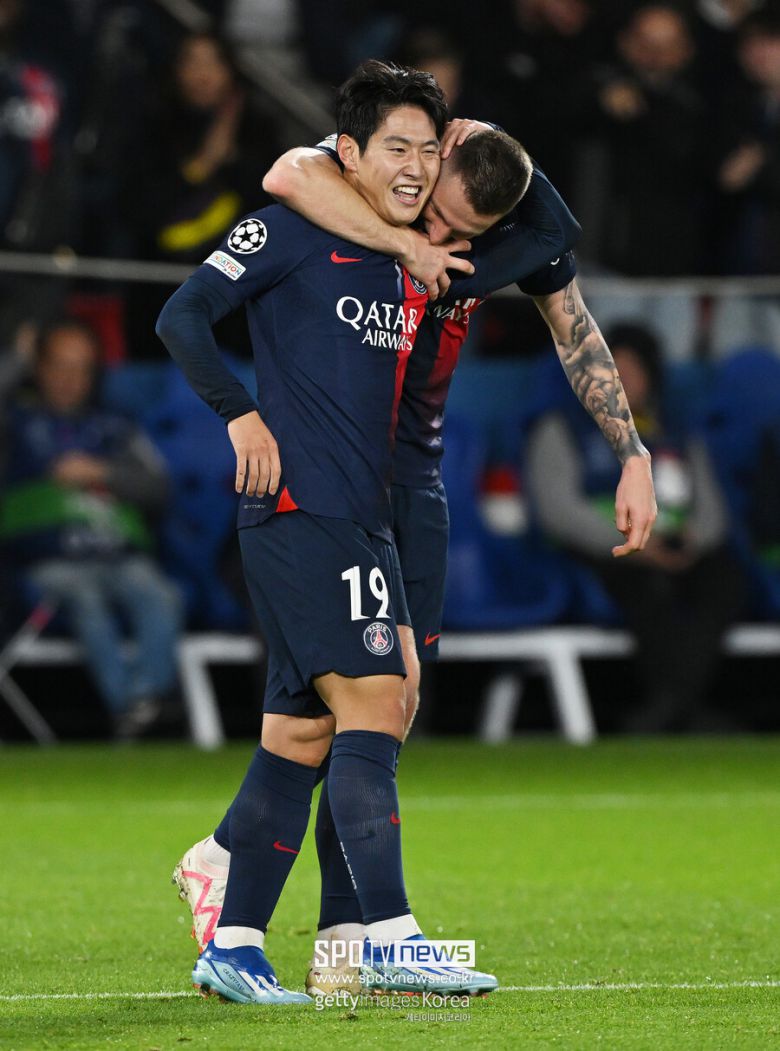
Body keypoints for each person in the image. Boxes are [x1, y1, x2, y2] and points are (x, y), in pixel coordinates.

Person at [170, 107, 657, 993]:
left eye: (461, 233)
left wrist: (632, 453)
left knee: (368, 710)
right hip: (328, 477)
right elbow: (288, 172)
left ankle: (306, 927)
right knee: (368, 700)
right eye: (433, 210)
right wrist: (410, 229)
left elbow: (572, 315)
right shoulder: (353, 199)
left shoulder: (493, 244)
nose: (438, 237)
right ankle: (358, 934)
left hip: (410, 489)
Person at [157, 60, 504, 1005]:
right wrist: (239, 413)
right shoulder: (292, 228)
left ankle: (234, 944)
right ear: (345, 152)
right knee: (378, 704)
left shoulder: (403, 252)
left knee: (301, 733)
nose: (415, 168)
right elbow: (182, 314)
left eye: (428, 151)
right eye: (396, 147)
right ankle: (387, 937)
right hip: (303, 509)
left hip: (360, 514)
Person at [526, 321, 744, 731]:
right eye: (611, 371)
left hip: (677, 548)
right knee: (647, 588)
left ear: (652, 378)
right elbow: (559, 511)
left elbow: (712, 511)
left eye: (632, 372)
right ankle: (678, 708)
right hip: (605, 551)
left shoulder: (675, 432)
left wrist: (691, 541)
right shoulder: (562, 428)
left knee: (725, 580)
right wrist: (635, 543)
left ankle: (673, 704)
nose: (620, 383)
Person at [0, 319, 183, 738]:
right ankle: (127, 707)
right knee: (86, 599)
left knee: (162, 596)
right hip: (48, 561)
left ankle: (144, 702)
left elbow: (160, 488)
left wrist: (102, 473)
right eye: (60, 366)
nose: (70, 379)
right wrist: (16, 360)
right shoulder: (15, 423)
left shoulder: (115, 426)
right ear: (40, 368)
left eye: (81, 368)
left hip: (118, 554)